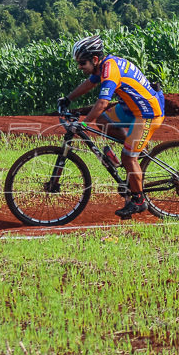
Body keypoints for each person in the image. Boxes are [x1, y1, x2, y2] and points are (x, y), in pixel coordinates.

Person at [57, 36, 165, 218]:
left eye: (82, 62)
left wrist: (83, 124)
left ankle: (139, 200)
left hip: (147, 113)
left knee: (128, 156)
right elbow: (90, 83)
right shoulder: (105, 64)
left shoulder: (109, 71)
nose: (79, 66)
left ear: (95, 59)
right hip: (131, 108)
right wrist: (68, 98)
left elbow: (102, 104)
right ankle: (135, 148)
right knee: (102, 121)